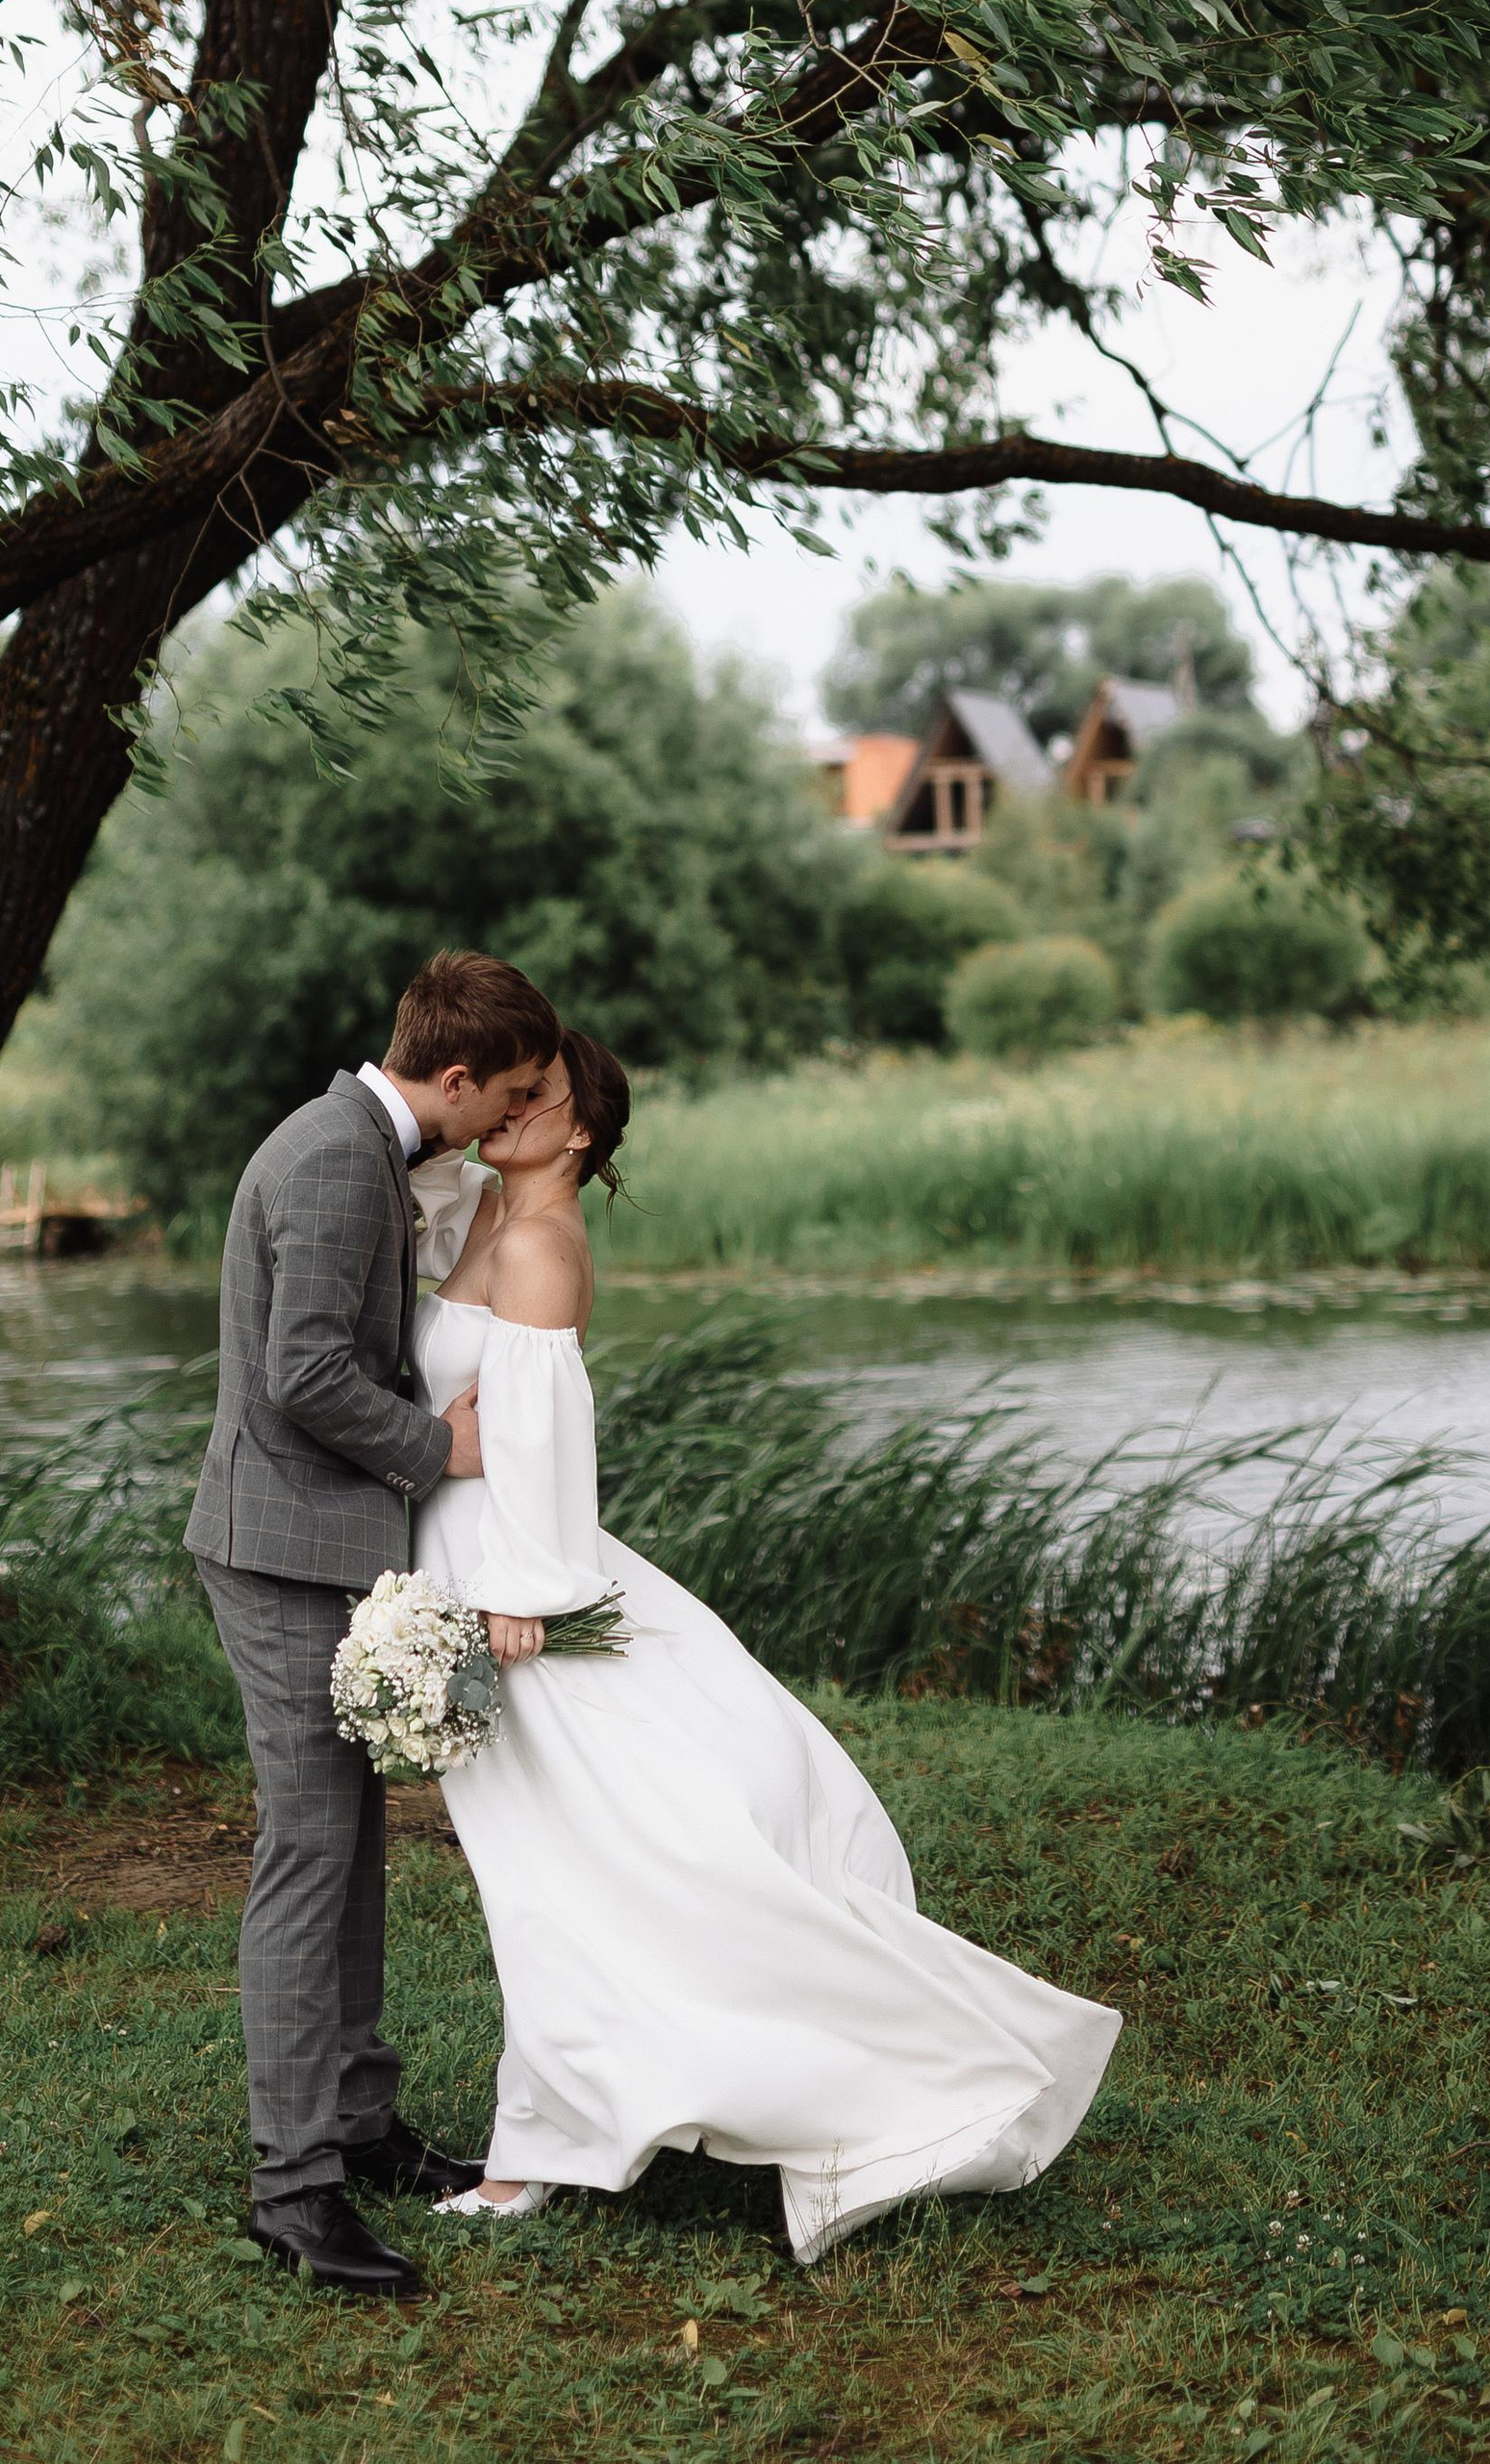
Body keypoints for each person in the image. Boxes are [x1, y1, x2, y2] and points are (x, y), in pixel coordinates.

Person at [411, 1029, 1122, 2264]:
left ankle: (545, 2154)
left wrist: (521, 1594)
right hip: (461, 1555)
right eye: (509, 1087)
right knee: (552, 1866)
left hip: (508, 1584)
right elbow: (416, 1187)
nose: (512, 1104)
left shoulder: (534, 1244)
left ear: (579, 1131)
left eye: (542, 1094)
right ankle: (551, 2135)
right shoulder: (478, 1205)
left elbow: (546, 1441)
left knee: (572, 1864)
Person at [185, 949, 561, 2298]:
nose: (509, 1121)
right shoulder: (341, 1158)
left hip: (312, 1544)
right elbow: (302, 1374)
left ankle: (358, 2120)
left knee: (348, 1851)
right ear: (451, 1079)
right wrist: (436, 1451)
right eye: (504, 1098)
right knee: (309, 1857)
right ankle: (295, 2192)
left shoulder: (351, 1142)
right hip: (285, 1554)